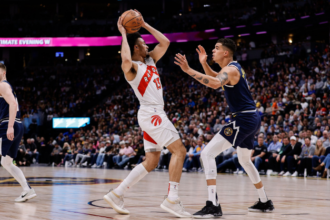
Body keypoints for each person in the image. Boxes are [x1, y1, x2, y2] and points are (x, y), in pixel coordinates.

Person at [103, 10, 190, 218]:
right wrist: (124, 33)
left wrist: (144, 25)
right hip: (152, 114)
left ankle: (117, 193)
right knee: (180, 152)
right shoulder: (132, 68)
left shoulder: (150, 60)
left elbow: (165, 42)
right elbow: (124, 59)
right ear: (135, 47)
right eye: (143, 43)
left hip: (152, 115)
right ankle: (172, 199)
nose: (148, 46)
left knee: (152, 160)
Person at [174, 38, 274, 217]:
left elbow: (213, 84)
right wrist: (204, 64)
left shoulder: (230, 70)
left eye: (216, 48)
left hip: (243, 119)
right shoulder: (232, 68)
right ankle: (265, 201)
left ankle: (213, 204)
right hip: (251, 118)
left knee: (207, 153)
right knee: (244, 160)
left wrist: (188, 70)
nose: (213, 50)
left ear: (225, 53)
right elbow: (216, 78)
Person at [0, 63, 37, 202]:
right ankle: (27, 190)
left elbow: (13, 105)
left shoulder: (2, 84)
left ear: (3, 73)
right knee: (6, 162)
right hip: (17, 125)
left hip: (8, 125)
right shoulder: (5, 87)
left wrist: (9, 126)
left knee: (5, 162)